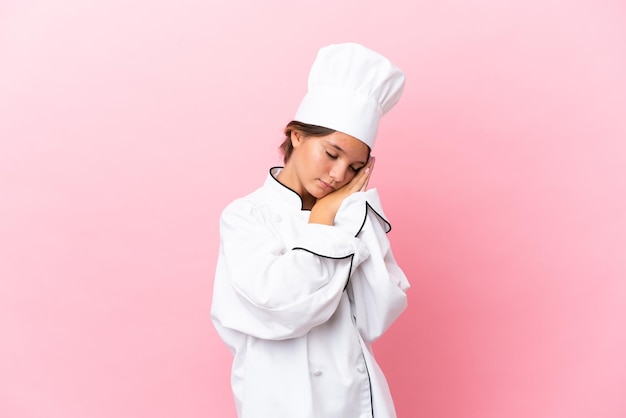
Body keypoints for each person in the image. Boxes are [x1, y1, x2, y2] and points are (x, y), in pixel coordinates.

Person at [211, 42, 410, 418]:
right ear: (297, 135)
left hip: (360, 403)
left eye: (355, 168)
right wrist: (322, 221)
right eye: (332, 154)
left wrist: (352, 215)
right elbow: (284, 307)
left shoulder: (349, 218)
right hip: (283, 402)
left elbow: (376, 316)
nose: (338, 176)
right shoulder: (246, 217)